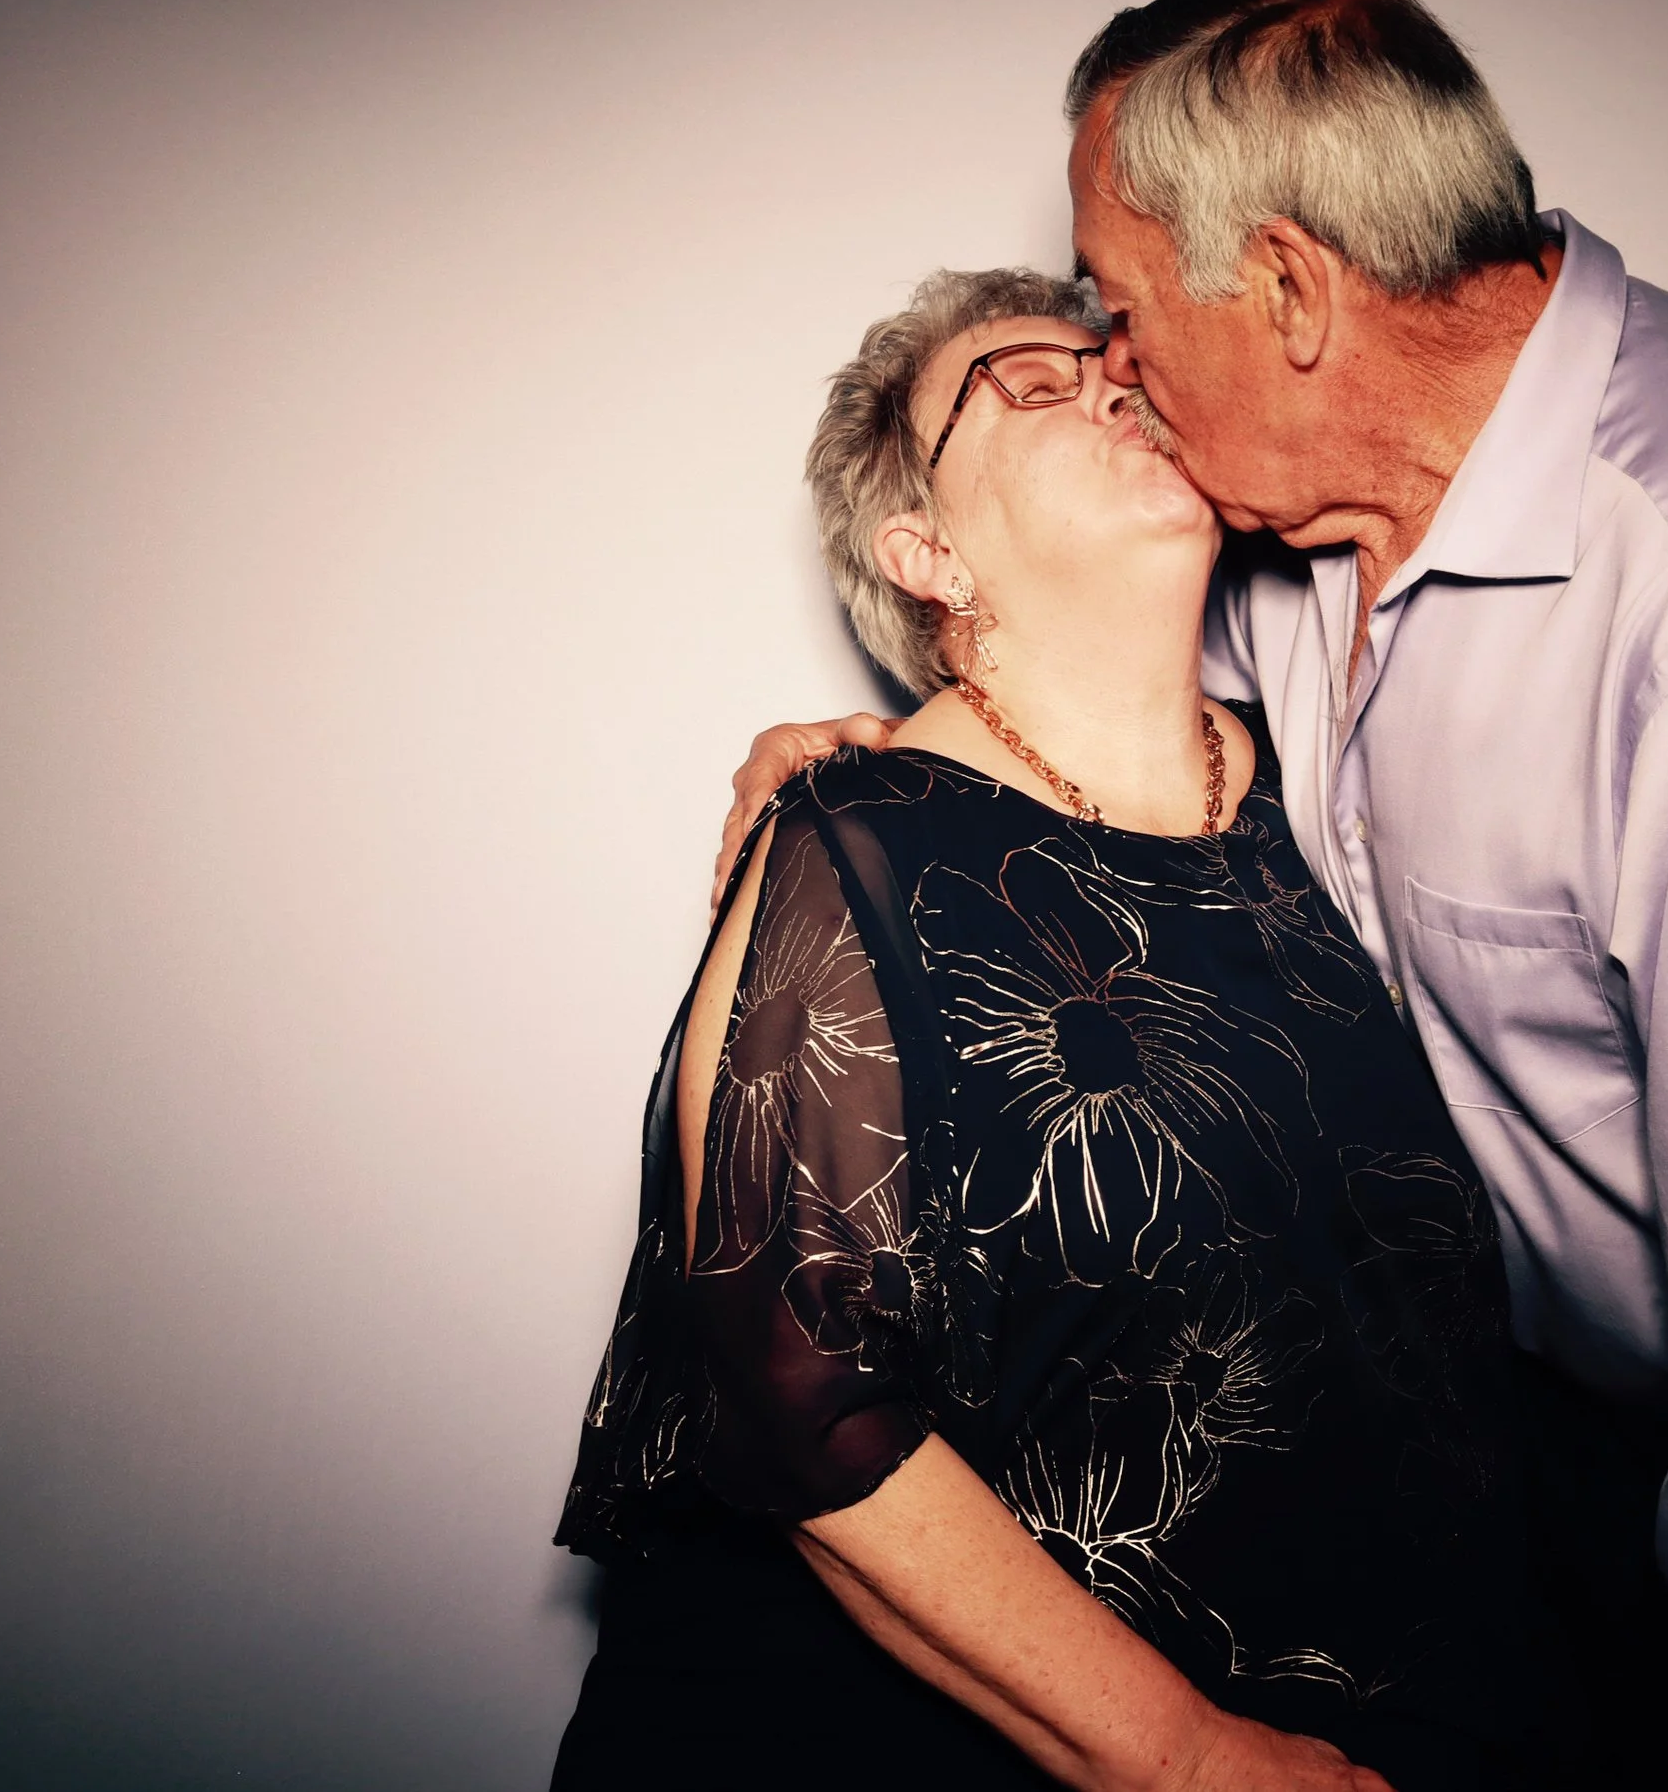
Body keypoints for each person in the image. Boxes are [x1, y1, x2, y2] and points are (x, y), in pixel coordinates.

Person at [717, 0, 1668, 1792]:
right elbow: (1092, 708)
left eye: (1123, 314)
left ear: (1289, 289)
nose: (1119, 371)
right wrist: (850, 774)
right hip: (1561, 1443)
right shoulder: (1315, 527)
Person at [551, 267, 1558, 1791]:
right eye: (1030, 380)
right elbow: (799, 1396)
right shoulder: (854, 842)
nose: (1109, 382)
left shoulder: (1334, 791)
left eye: (1116, 361)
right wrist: (1196, 1761)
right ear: (927, 550)